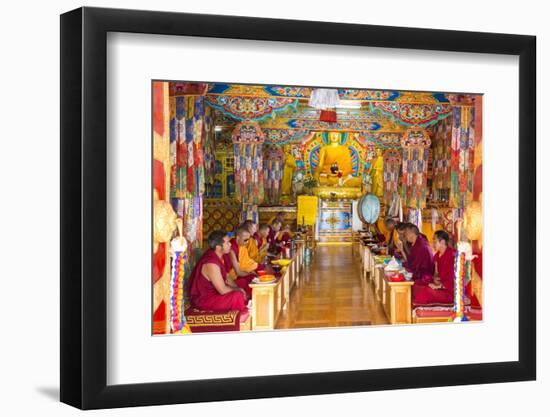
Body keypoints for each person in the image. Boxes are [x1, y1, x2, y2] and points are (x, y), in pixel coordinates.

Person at [187, 230, 248, 313]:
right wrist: (238, 290)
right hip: (204, 300)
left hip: (215, 292)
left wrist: (238, 287)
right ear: (218, 247)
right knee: (237, 296)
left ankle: (244, 303)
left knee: (243, 283)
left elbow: (226, 277)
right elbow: (222, 290)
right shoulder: (211, 263)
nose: (230, 244)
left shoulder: (218, 256)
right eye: (227, 243)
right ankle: (241, 316)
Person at [412, 230, 455, 305]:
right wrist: (435, 280)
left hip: (450, 291)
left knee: (424, 292)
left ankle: (420, 313)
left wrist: (439, 286)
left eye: (435, 241)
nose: (433, 244)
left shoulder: (452, 255)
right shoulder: (437, 255)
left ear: (442, 242)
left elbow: (454, 279)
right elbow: (436, 274)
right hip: (441, 286)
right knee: (416, 285)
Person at [224, 226, 259, 298]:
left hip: (235, 275)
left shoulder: (239, 246)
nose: (247, 242)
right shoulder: (231, 250)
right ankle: (251, 298)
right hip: (230, 278)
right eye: (245, 240)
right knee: (251, 279)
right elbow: (238, 272)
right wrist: (249, 272)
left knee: (252, 278)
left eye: (248, 240)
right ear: (237, 238)